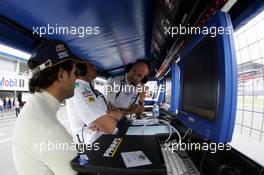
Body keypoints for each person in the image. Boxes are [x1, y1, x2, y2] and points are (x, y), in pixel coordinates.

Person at [13, 39, 85, 175]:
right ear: (61, 75)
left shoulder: (32, 110)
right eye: (76, 73)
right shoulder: (52, 131)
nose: (78, 79)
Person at [66, 61, 123, 144]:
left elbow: (119, 114)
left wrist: (106, 116)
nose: (96, 68)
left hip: (103, 138)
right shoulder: (78, 90)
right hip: (92, 144)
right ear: (82, 69)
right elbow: (109, 127)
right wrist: (108, 117)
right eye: (92, 66)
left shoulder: (94, 90)